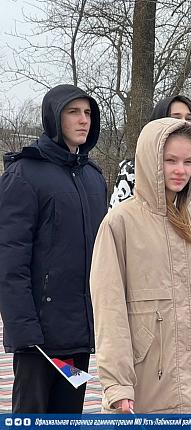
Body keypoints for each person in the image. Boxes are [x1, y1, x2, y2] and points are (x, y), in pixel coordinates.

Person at [90, 118, 191, 413]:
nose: (181, 170)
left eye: (188, 161)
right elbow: (109, 308)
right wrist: (117, 384)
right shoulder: (120, 223)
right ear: (150, 160)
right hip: (144, 381)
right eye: (170, 160)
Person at [0, 84, 107, 413]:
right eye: (73, 112)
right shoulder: (24, 174)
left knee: (68, 418)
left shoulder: (93, 178)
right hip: (38, 339)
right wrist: (24, 329)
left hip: (78, 335)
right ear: (53, 117)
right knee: (33, 418)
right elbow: (10, 259)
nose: (83, 120)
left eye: (88, 113)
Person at [109, 95, 191, 214]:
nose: (183, 123)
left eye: (189, 119)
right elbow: (117, 216)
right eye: (176, 118)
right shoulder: (134, 170)